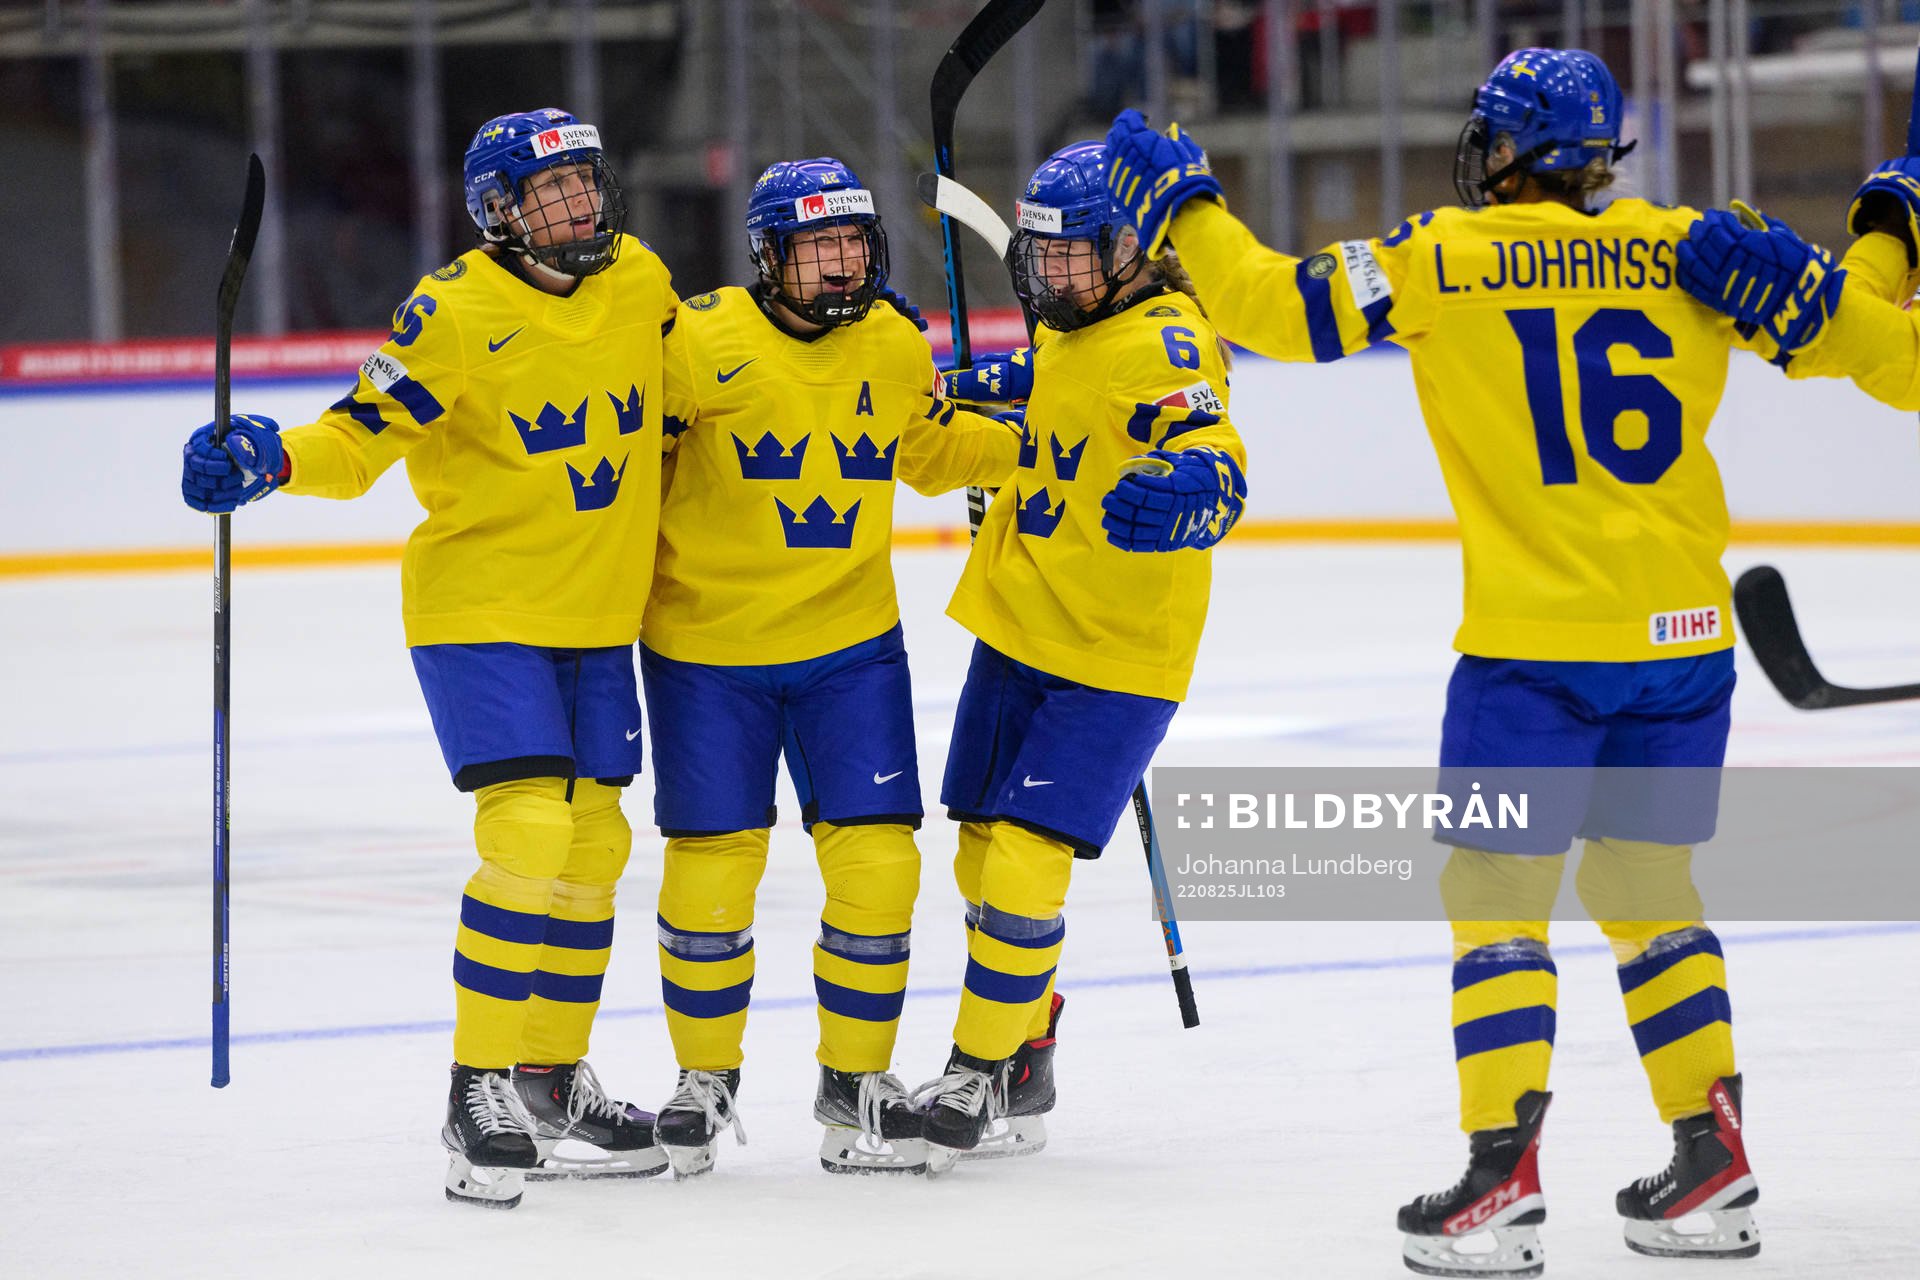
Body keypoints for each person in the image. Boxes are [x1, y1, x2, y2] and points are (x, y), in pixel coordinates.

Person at [1101, 48, 1807, 1272]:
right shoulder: (1687, 247)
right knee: (1652, 895)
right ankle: (1713, 1154)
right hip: (1685, 649)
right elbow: (1863, 334)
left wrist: (1186, 205)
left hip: (1535, 655)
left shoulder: (1445, 255)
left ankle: (1501, 1180)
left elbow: (1274, 310)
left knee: (1495, 906)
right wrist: (1892, 237)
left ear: (1508, 152)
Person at [180, 108, 676, 1209]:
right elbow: (360, 435)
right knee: (530, 831)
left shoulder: (642, 279)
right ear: (498, 211)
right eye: (548, 192)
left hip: (598, 618)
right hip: (481, 610)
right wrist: (270, 458)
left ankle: (549, 1080)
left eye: (584, 182)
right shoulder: (450, 312)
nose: (576, 204)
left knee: (594, 847)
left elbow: (693, 399)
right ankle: (476, 1088)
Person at [638, 157, 1023, 1177]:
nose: (843, 262)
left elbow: (925, 450)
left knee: (881, 866)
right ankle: (703, 1078)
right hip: (704, 653)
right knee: (712, 868)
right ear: (770, 256)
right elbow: (630, 470)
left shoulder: (893, 342)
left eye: (853, 240)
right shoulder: (694, 340)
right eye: (818, 246)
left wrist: (1034, 439)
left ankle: (855, 1084)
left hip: (852, 650)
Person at [910, 140, 1248, 1175]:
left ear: (1131, 249)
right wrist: (981, 386)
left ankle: (976, 1066)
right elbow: (1052, 380)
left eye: (1071, 255)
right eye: (1041, 254)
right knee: (979, 852)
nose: (1050, 275)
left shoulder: (1170, 342)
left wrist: (1198, 490)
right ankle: (1027, 1051)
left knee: (1025, 854)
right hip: (1021, 624)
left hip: (1118, 654)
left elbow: (1210, 443)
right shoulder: (1074, 325)